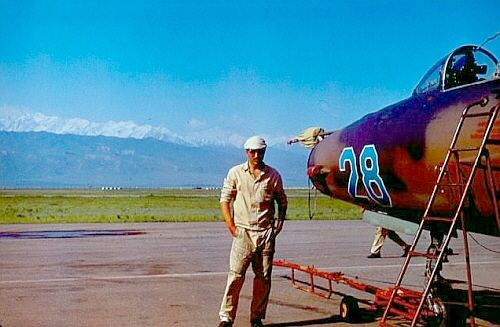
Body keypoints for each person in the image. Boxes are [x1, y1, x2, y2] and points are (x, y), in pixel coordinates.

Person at [218, 136, 288, 327]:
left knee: (263, 277)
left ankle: (256, 317)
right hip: (243, 233)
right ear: (246, 152)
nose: (256, 155)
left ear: (264, 152)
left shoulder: (273, 175)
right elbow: (225, 200)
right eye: (252, 151)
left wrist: (279, 224)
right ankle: (226, 317)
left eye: (260, 151)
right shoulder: (236, 173)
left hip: (265, 233)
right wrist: (231, 225)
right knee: (235, 276)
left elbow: (282, 200)